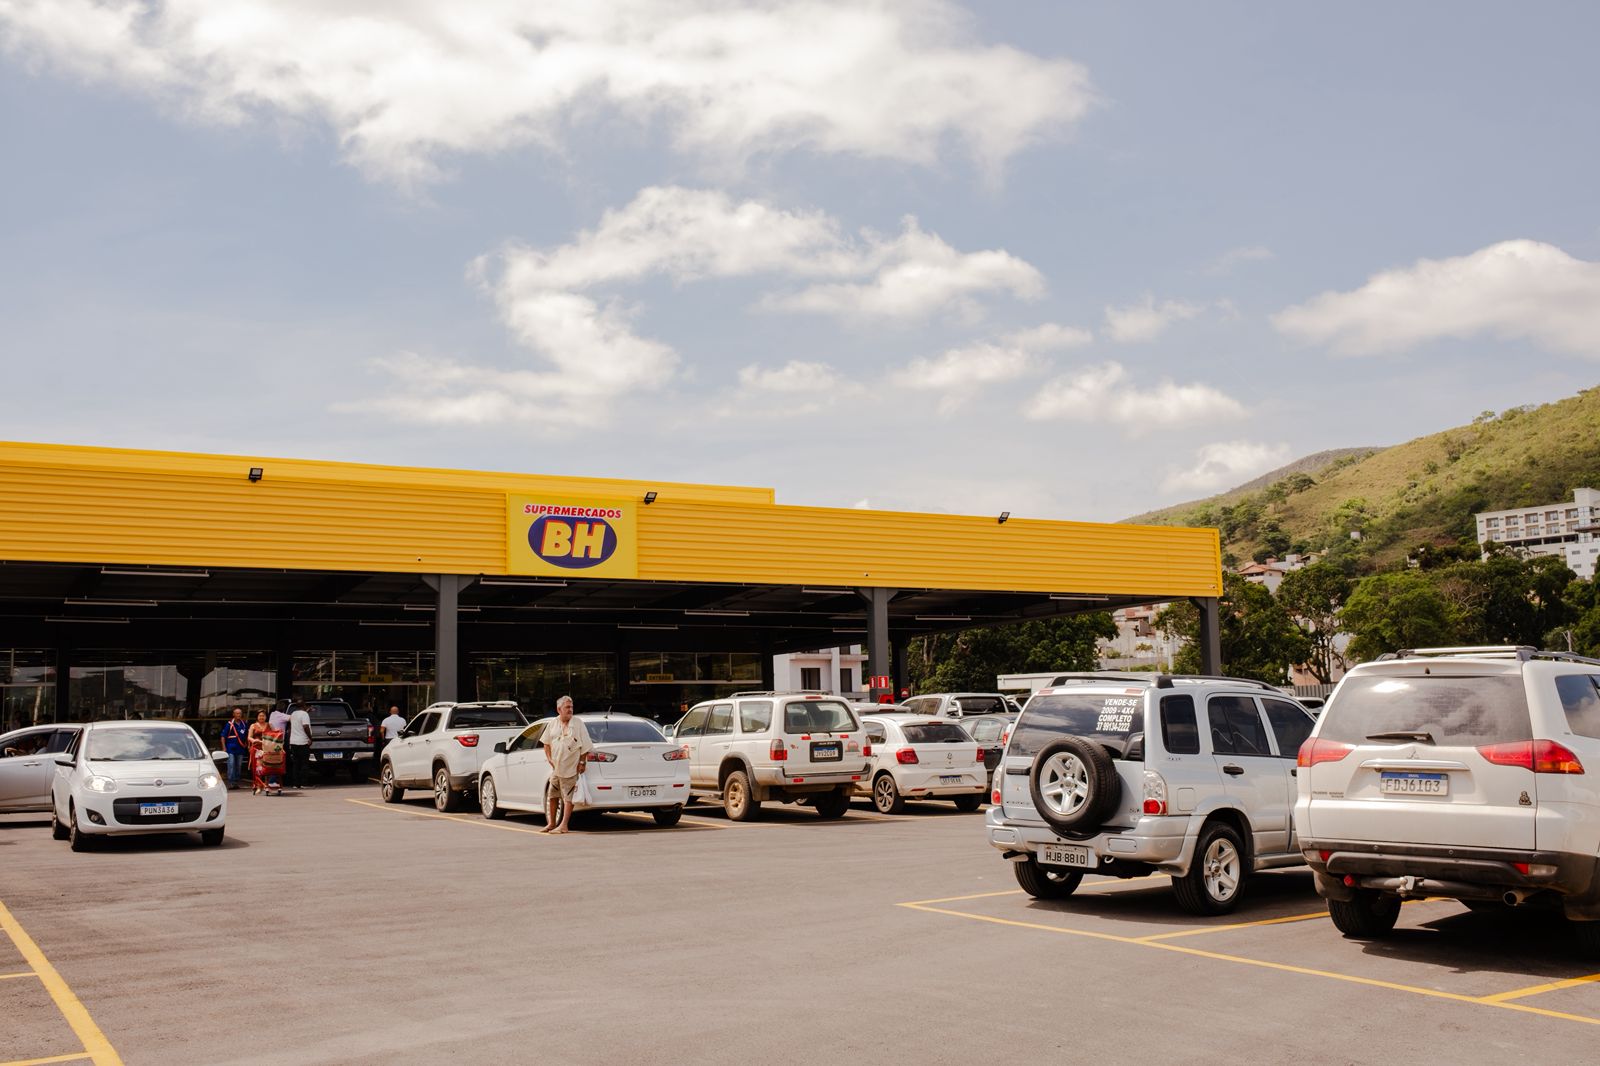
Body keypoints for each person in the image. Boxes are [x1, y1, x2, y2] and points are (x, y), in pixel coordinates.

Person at [539, 695, 593, 835]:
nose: (570, 710)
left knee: (568, 797)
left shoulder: (578, 723)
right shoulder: (553, 723)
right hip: (556, 768)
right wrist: (550, 759)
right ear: (559, 709)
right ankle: (551, 823)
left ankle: (564, 825)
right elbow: (546, 743)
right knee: (552, 794)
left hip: (571, 767)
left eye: (571, 707)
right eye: (567, 707)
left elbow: (585, 746)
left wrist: (582, 762)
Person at [286, 699, 314, 790]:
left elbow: (290, 728)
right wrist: (310, 738)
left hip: (294, 742)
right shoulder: (304, 714)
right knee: (304, 763)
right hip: (303, 742)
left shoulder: (293, 714)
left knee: (296, 764)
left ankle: (295, 784)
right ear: (304, 706)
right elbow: (305, 726)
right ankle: (304, 783)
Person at [221, 708, 250, 789]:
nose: (238, 715)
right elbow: (223, 737)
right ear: (233, 714)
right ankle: (231, 782)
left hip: (240, 749)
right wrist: (224, 748)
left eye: (239, 713)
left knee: (239, 765)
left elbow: (247, 736)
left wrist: (247, 745)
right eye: (236, 713)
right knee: (231, 764)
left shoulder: (244, 724)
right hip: (230, 749)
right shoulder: (229, 724)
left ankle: (236, 781)